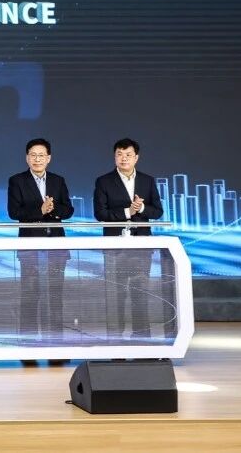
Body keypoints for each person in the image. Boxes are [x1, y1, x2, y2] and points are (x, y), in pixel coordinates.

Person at [7, 138, 74, 362]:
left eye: (41, 155)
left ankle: (56, 345)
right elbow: (14, 212)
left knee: (55, 296)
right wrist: (40, 210)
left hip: (56, 246)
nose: (37, 159)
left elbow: (68, 209)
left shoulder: (58, 180)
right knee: (29, 296)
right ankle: (28, 347)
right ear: (27, 158)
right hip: (30, 247)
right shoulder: (17, 181)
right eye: (33, 155)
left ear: (49, 158)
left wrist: (52, 210)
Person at [93, 137, 164, 339]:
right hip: (115, 247)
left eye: (128, 155)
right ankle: (115, 338)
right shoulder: (103, 181)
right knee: (115, 295)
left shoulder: (147, 180)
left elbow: (158, 211)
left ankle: (142, 336)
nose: (124, 158)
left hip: (141, 245)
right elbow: (100, 213)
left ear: (136, 157)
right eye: (120, 154)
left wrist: (140, 208)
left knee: (140, 293)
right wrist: (127, 211)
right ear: (114, 157)